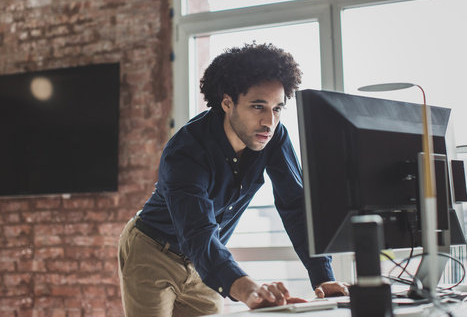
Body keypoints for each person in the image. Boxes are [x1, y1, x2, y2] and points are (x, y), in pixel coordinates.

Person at [118, 43, 348, 317]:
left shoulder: (274, 137)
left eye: (277, 109)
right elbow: (197, 231)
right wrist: (250, 290)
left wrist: (323, 277)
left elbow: (296, 206)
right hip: (153, 251)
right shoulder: (186, 151)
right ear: (228, 102)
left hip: (206, 261)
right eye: (258, 106)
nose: (269, 121)